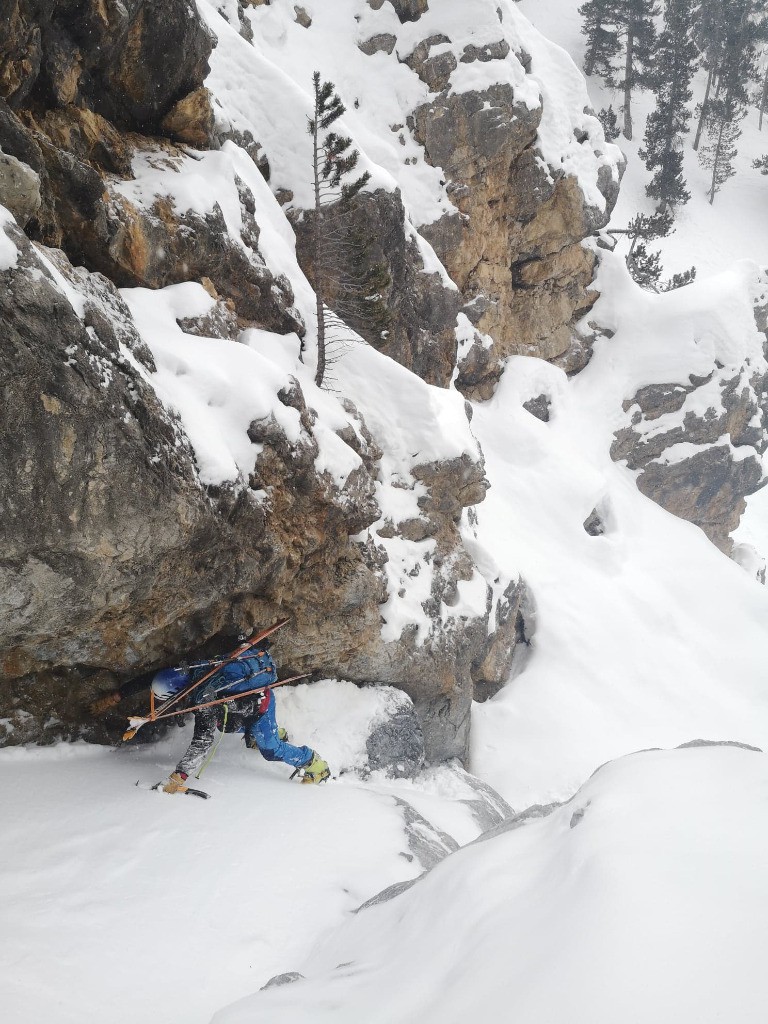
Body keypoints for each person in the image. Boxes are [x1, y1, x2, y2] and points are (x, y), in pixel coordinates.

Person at [91, 640, 330, 788]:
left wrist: (180, 776)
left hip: (261, 705)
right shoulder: (188, 671)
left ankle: (314, 764)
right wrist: (118, 695)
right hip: (242, 703)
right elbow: (149, 679)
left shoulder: (204, 698)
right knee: (225, 723)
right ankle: (257, 733)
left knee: (271, 750)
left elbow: (202, 741)